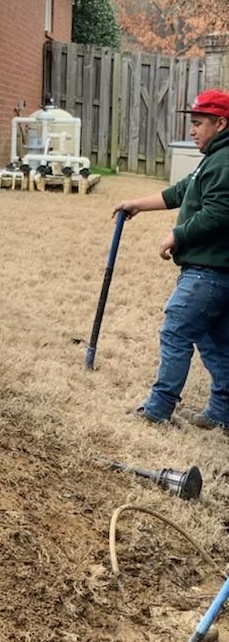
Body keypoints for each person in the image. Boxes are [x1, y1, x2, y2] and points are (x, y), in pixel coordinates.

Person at [112, 89, 229, 429]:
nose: (192, 131)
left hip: (208, 273)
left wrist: (177, 235)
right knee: (216, 341)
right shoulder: (214, 159)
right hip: (216, 272)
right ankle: (221, 413)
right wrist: (136, 203)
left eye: (198, 124)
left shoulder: (224, 162)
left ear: (220, 123)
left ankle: (158, 409)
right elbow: (181, 191)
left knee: (176, 330)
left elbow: (219, 213)